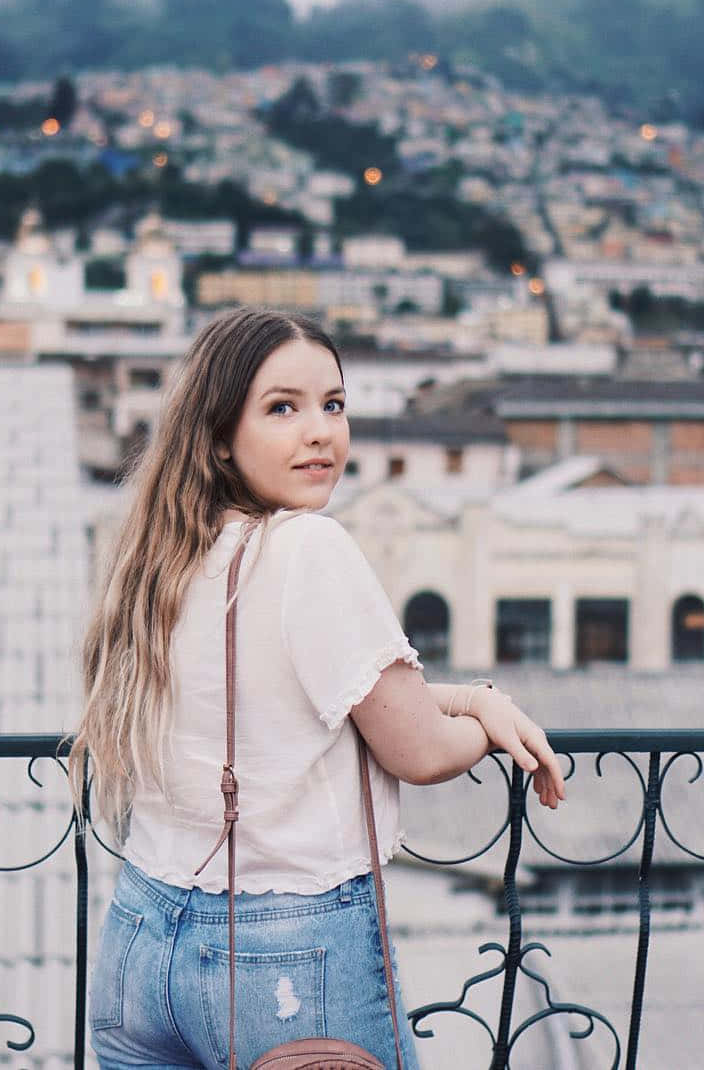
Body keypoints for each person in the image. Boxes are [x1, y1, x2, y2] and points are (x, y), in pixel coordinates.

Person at [69, 306, 566, 1070]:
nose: (320, 432)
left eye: (333, 404)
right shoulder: (309, 547)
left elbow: (306, 703)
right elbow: (420, 751)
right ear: (220, 437)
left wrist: (461, 694)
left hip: (141, 937)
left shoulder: (161, 557)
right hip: (287, 956)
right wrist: (486, 715)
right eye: (282, 408)